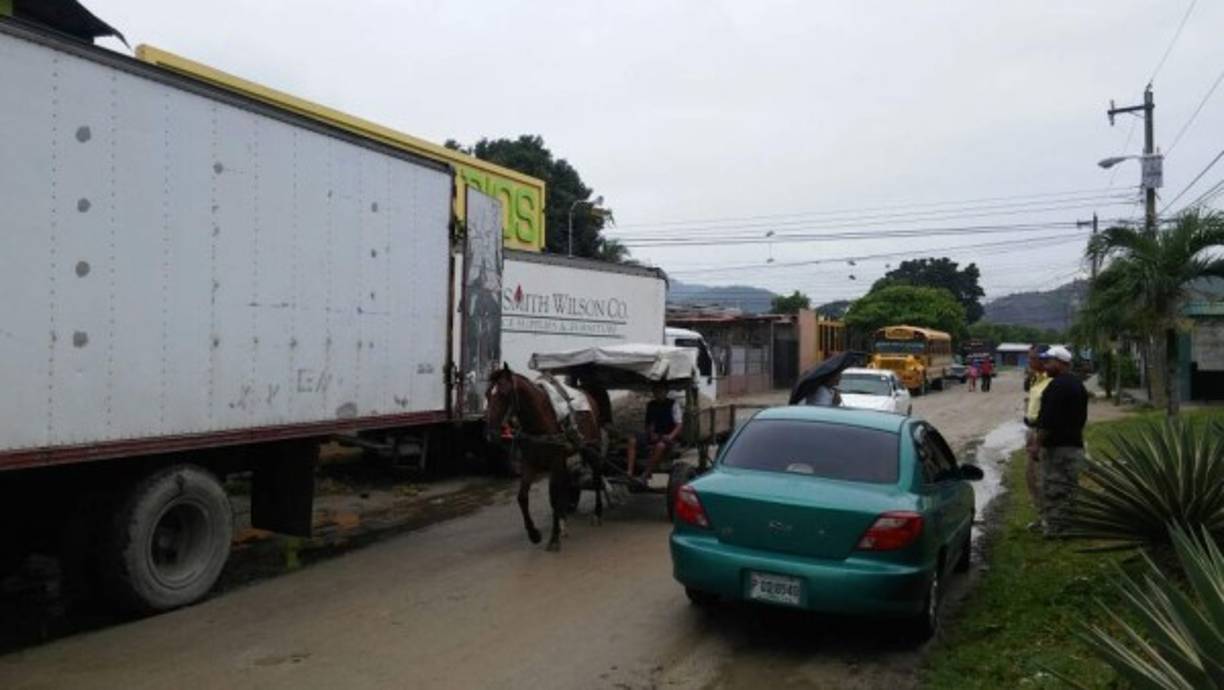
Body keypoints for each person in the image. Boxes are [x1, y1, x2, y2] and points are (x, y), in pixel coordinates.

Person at [1035, 345, 1088, 537]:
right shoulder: (1077, 384)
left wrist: (1037, 444)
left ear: (1061, 363)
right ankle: (1069, 526)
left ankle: (1057, 530)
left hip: (1058, 448)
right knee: (1070, 488)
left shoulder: (1057, 386)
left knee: (1054, 488)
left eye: (1048, 362)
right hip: (1074, 445)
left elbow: (1048, 421)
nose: (1045, 365)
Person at [626, 384, 683, 482]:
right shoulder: (651, 405)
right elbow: (649, 423)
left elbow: (679, 424)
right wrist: (651, 433)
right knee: (632, 440)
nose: (658, 394)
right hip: (655, 435)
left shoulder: (673, 404)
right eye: (656, 392)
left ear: (666, 392)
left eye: (661, 392)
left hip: (667, 436)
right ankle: (629, 472)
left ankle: (646, 474)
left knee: (660, 446)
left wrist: (670, 436)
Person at [1022, 345, 1051, 529]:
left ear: (1042, 359)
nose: (1029, 361)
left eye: (1032, 358)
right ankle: (1042, 516)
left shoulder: (1051, 381)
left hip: (1044, 432)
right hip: (1032, 430)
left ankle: (1051, 519)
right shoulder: (1036, 379)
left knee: (1044, 476)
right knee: (1031, 476)